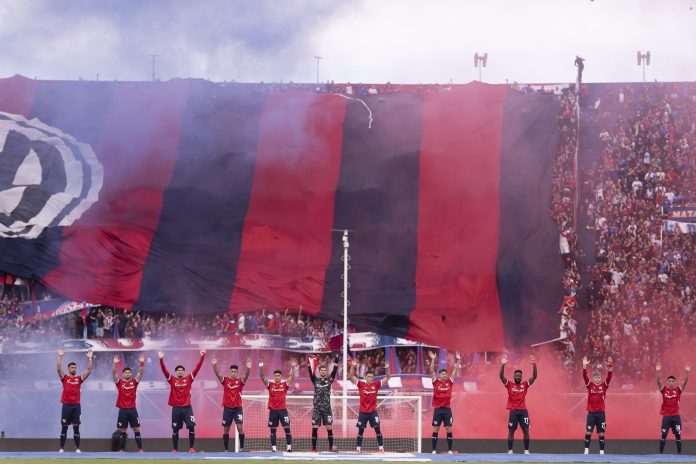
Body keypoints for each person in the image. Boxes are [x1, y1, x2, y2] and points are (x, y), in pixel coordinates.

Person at [158, 350, 206, 452]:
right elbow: (164, 370)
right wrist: (161, 359)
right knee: (175, 429)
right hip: (176, 409)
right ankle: (175, 449)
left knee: (191, 427)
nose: (180, 371)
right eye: (178, 370)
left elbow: (197, 369)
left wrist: (202, 356)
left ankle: (191, 448)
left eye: (181, 370)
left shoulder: (189, 378)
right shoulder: (172, 380)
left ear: (184, 372)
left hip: (187, 408)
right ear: (176, 372)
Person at [349, 358, 391, 453]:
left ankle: (381, 448)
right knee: (360, 431)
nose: (370, 378)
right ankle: (358, 449)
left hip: (373, 412)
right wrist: (353, 365)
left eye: (371, 377)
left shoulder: (376, 384)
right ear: (365, 377)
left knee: (377, 429)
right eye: (368, 376)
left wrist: (387, 368)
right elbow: (351, 375)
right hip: (363, 412)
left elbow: (388, 377)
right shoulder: (360, 384)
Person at [57, 347, 93, 453]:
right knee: (64, 428)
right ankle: (61, 448)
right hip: (66, 406)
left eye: (75, 368)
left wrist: (90, 359)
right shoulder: (65, 378)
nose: (74, 369)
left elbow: (89, 370)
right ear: (68, 369)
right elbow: (59, 369)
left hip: (76, 406)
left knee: (76, 428)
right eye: (72, 367)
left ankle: (77, 448)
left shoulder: (79, 379)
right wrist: (60, 356)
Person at [212, 356, 251, 452]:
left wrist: (248, 367)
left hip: (237, 408)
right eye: (232, 371)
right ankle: (226, 449)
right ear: (230, 371)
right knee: (226, 429)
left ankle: (241, 448)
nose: (233, 373)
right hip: (227, 408)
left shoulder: (240, 381)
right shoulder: (225, 380)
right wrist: (214, 364)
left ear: (237, 372)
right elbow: (217, 373)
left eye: (235, 371)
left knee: (240, 427)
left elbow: (246, 375)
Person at [499, 354, 537, 454]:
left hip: (523, 411)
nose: (518, 377)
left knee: (526, 431)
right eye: (516, 375)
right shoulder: (509, 384)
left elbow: (534, 377)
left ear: (521, 377)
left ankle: (526, 451)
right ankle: (510, 450)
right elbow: (501, 377)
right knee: (511, 431)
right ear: (514, 376)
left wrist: (534, 366)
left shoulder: (525, 384)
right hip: (513, 411)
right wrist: (502, 365)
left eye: (519, 376)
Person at [259, 358, 298, 452]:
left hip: (283, 411)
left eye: (278, 376)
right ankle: (274, 449)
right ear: (274, 376)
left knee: (287, 429)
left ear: (280, 377)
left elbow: (292, 377)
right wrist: (261, 366)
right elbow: (262, 377)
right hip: (273, 411)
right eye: (275, 376)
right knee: (273, 431)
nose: (276, 377)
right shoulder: (270, 385)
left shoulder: (284, 385)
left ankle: (289, 448)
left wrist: (293, 366)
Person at [428, 351, 461, 454]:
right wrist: (433, 359)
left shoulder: (449, 382)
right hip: (438, 410)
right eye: (442, 374)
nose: (444, 375)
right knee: (436, 429)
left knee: (449, 429)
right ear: (440, 375)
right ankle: (433, 450)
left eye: (445, 374)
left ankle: (450, 450)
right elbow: (432, 371)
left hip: (447, 410)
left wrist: (458, 359)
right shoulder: (436, 382)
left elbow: (455, 371)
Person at [112, 354, 145, 452]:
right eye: (125, 372)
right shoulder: (120, 383)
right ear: (123, 374)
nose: (127, 374)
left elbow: (140, 373)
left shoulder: (134, 382)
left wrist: (142, 363)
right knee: (123, 431)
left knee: (136, 429)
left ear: (130, 374)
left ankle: (140, 449)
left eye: (129, 372)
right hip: (122, 410)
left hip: (132, 409)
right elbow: (114, 373)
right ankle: (122, 449)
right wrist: (115, 363)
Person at [308, 352, 340, 452]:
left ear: (326, 372)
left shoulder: (329, 380)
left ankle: (330, 448)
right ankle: (313, 448)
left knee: (329, 428)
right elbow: (310, 372)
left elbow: (334, 371)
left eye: (324, 370)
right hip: (317, 409)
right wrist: (309, 364)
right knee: (314, 428)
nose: (323, 372)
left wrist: (337, 360)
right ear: (319, 371)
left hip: (327, 408)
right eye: (321, 370)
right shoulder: (315, 380)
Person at [656, 361, 690, 454]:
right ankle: (660, 455)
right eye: (669, 381)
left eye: (672, 381)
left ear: (675, 382)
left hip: (676, 417)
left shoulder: (678, 390)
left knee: (678, 435)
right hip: (666, 417)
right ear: (667, 382)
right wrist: (658, 371)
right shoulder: (664, 390)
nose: (671, 382)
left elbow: (685, 382)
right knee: (663, 435)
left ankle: (679, 455)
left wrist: (687, 372)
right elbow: (658, 382)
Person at [582, 356, 612, 454]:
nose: (597, 379)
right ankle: (586, 450)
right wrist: (584, 366)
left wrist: (610, 367)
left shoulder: (604, 386)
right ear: (593, 378)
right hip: (591, 413)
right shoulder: (590, 385)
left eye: (599, 377)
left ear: (600, 378)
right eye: (595, 377)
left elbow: (609, 377)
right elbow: (585, 377)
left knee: (601, 433)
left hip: (601, 414)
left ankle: (602, 452)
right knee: (588, 432)